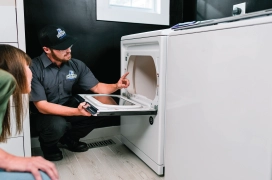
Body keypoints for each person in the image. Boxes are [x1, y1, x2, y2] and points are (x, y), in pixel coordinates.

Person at [30, 25, 130, 161]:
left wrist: (116, 86)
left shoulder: (76, 65)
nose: (69, 50)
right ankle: (49, 146)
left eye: (69, 45)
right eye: (62, 47)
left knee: (107, 104)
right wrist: (78, 112)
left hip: (68, 104)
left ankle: (70, 138)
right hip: (45, 113)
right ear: (47, 49)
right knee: (58, 125)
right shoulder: (34, 68)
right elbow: (42, 106)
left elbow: (98, 88)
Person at [0, 45, 59, 180]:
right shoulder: (4, 79)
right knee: (41, 175)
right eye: (27, 65)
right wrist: (8, 159)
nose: (31, 72)